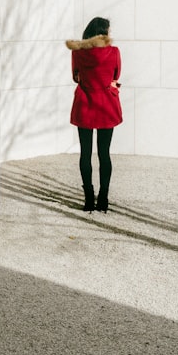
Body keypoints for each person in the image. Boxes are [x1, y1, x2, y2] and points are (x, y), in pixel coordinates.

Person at [65, 17, 122, 212]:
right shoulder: (113, 52)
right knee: (104, 153)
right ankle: (103, 198)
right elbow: (116, 75)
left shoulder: (78, 52)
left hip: (85, 105)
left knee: (85, 153)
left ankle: (89, 198)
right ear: (103, 33)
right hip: (107, 105)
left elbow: (75, 76)